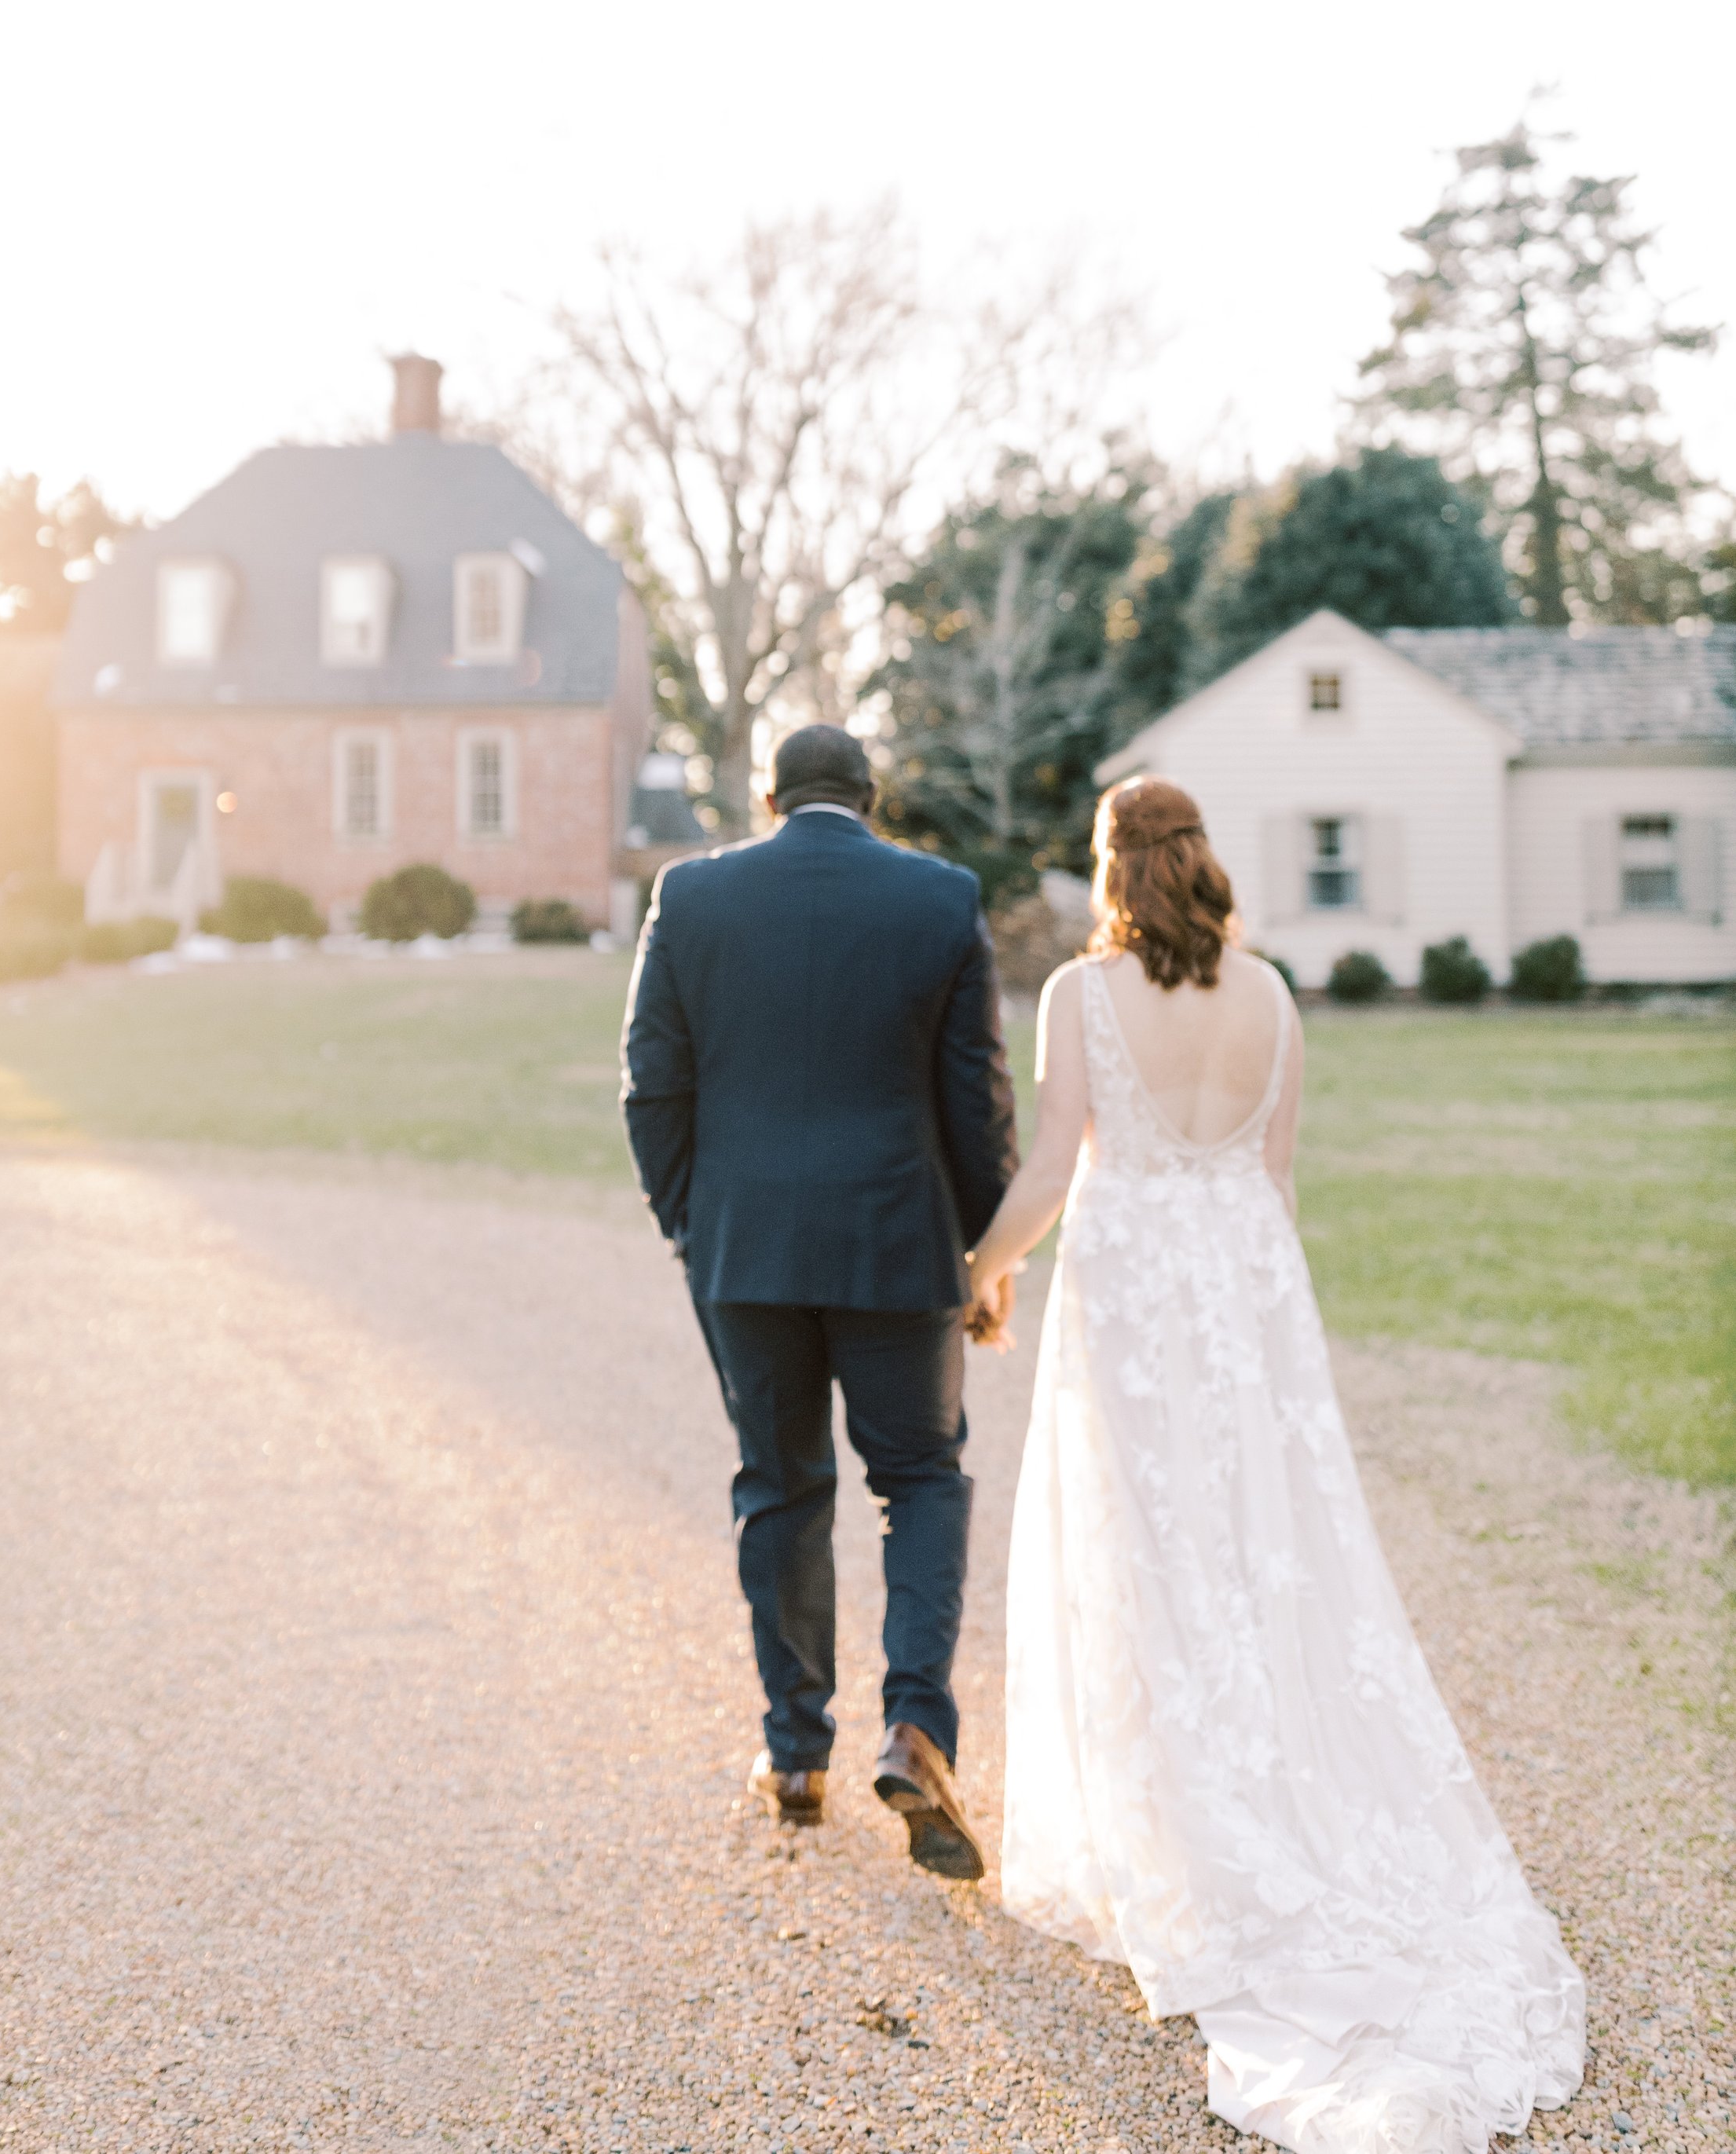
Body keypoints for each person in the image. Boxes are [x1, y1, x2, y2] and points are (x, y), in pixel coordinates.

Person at [965, 775, 1584, 2154]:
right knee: (1263, 1552)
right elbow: (1278, 1179)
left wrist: (978, 1273)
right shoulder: (1279, 994)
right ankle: (1261, 1795)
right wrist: (1266, 1332)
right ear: (1204, 858)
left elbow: (1058, 1166)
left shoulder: (1081, 992)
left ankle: (1183, 1834)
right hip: (1248, 1296)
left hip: (1131, 1298)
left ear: (1114, 866)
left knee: (1141, 1551)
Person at [621, 723, 1018, 1878]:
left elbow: (651, 1088)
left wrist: (696, 1226)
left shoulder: (690, 898)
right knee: (921, 1479)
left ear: (770, 795)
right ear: (871, 797)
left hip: (745, 1252)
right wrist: (985, 1257)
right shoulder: (939, 899)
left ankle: (795, 1755)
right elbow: (978, 1103)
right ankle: (914, 1728)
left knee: (781, 1483)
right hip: (900, 1247)